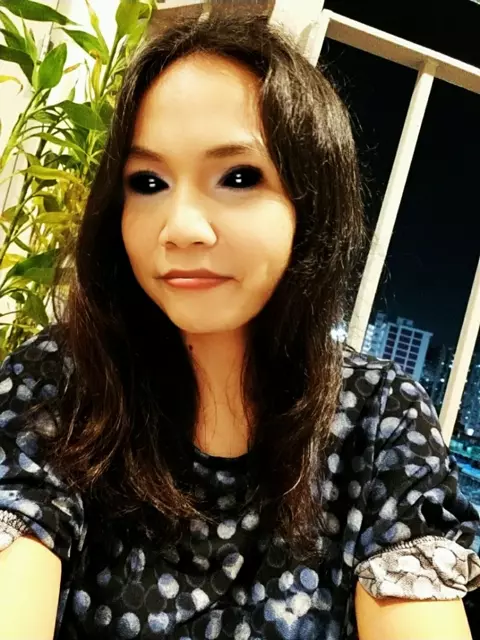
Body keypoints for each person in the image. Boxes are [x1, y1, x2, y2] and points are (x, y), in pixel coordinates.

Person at [0, 9, 479, 640]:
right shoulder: (61, 382)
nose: (180, 228)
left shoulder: (377, 423)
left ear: (311, 202)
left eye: (238, 177)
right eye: (148, 182)